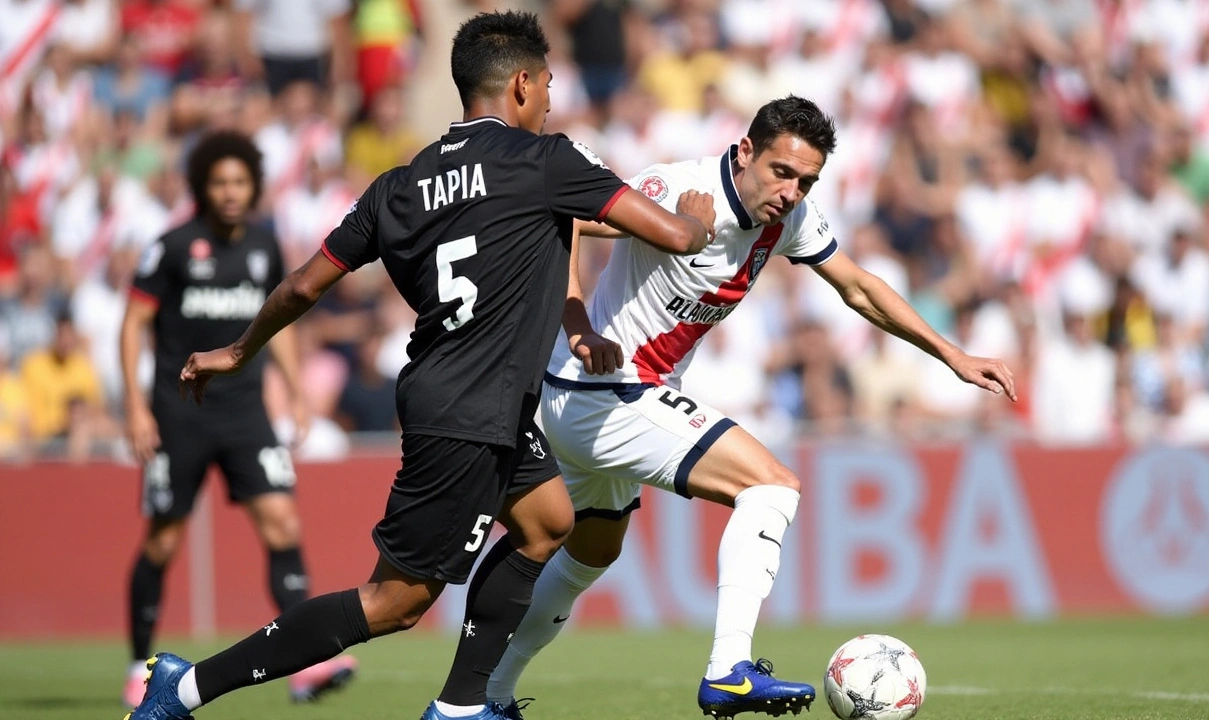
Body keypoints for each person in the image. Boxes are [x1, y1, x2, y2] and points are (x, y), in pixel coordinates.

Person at [125, 11, 715, 720]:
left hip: (465, 396)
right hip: (470, 411)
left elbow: (303, 285)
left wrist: (238, 348)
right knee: (393, 603)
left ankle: (464, 706)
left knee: (547, 520)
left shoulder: (398, 187)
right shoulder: (546, 162)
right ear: (522, 84)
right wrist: (700, 217)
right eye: (549, 84)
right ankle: (186, 688)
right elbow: (677, 237)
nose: (553, 100)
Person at [486, 96, 1018, 720]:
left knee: (590, 553)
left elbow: (858, 288)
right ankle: (729, 670)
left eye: (806, 181)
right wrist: (577, 324)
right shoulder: (675, 186)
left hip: (605, 399)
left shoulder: (787, 219)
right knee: (773, 487)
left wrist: (951, 354)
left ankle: (486, 699)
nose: (791, 191)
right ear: (745, 153)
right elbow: (566, 218)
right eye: (781, 172)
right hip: (600, 389)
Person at [118, 130, 355, 709]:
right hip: (179, 415)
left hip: (246, 411)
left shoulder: (264, 247)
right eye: (220, 182)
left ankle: (306, 664)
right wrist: (134, 405)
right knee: (163, 541)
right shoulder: (172, 246)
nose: (230, 192)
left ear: (253, 187)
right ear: (203, 186)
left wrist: (297, 394)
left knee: (282, 525)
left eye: (240, 182)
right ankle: (138, 666)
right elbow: (132, 324)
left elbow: (279, 322)